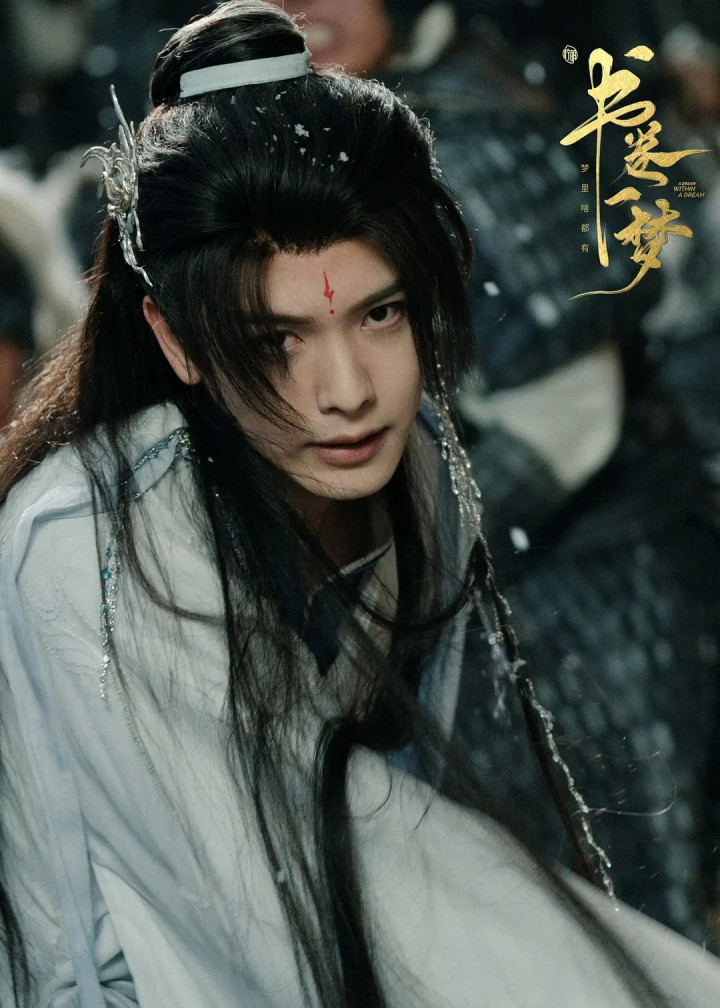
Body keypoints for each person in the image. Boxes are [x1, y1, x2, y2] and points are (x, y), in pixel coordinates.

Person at [2, 2, 720, 1005]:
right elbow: (296, 892)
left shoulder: (415, 460)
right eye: (274, 340)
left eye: (381, 314)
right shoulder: (102, 548)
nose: (346, 392)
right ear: (173, 339)